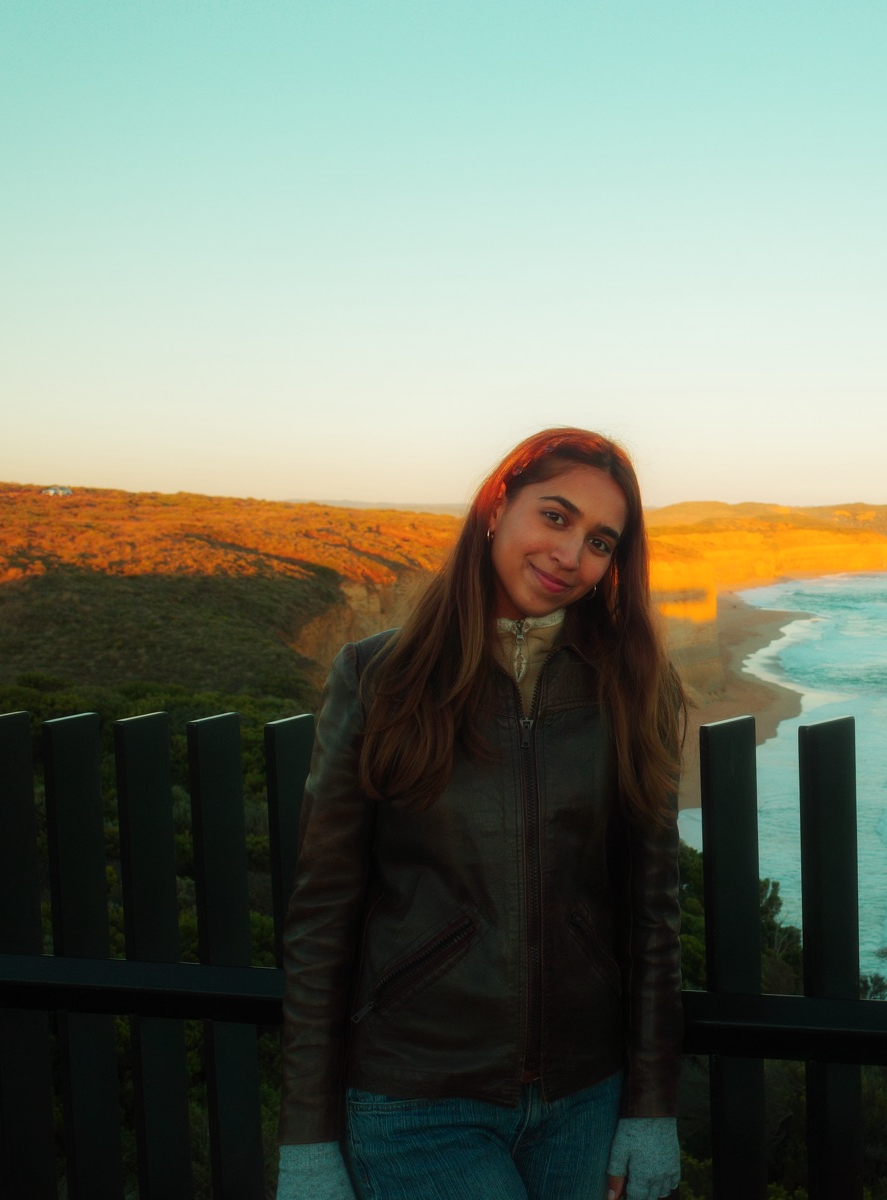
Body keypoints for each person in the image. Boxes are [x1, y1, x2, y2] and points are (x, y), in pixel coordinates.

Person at [275, 428, 684, 1200]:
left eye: (601, 542)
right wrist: (307, 1141)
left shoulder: (633, 685)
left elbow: (650, 912)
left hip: (585, 1099)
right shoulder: (378, 677)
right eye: (555, 518)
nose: (572, 556)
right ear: (498, 505)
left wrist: (650, 1108)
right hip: (415, 1099)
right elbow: (323, 911)